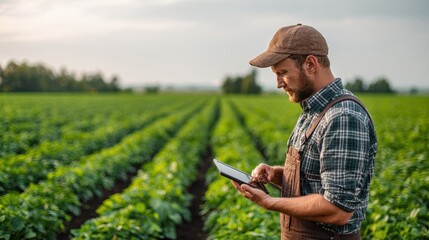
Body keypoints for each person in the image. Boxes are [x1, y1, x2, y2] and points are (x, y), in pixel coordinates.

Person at [232, 24, 378, 239]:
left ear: (310, 64)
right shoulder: (313, 110)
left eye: (283, 73)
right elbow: (316, 182)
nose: (278, 84)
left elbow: (337, 209)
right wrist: (276, 175)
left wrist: (270, 202)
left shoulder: (343, 117)